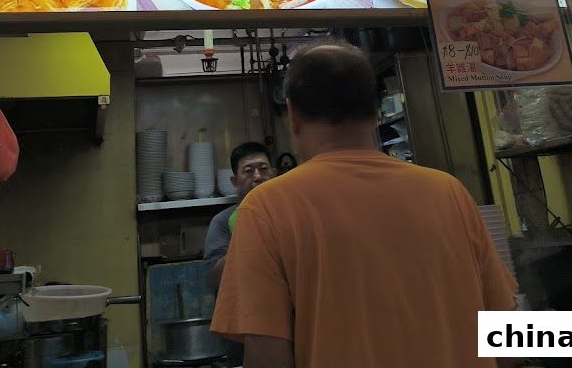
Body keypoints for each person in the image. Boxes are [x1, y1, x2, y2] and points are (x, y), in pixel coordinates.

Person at [211, 41, 518, 368]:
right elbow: (504, 334)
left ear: (293, 115)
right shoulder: (449, 191)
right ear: (375, 111)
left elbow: (267, 356)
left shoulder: (266, 208)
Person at [204, 141, 274, 290]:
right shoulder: (223, 221)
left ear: (274, 174)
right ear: (235, 181)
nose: (258, 176)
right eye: (248, 171)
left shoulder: (288, 214)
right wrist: (247, 236)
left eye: (263, 169)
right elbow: (214, 279)